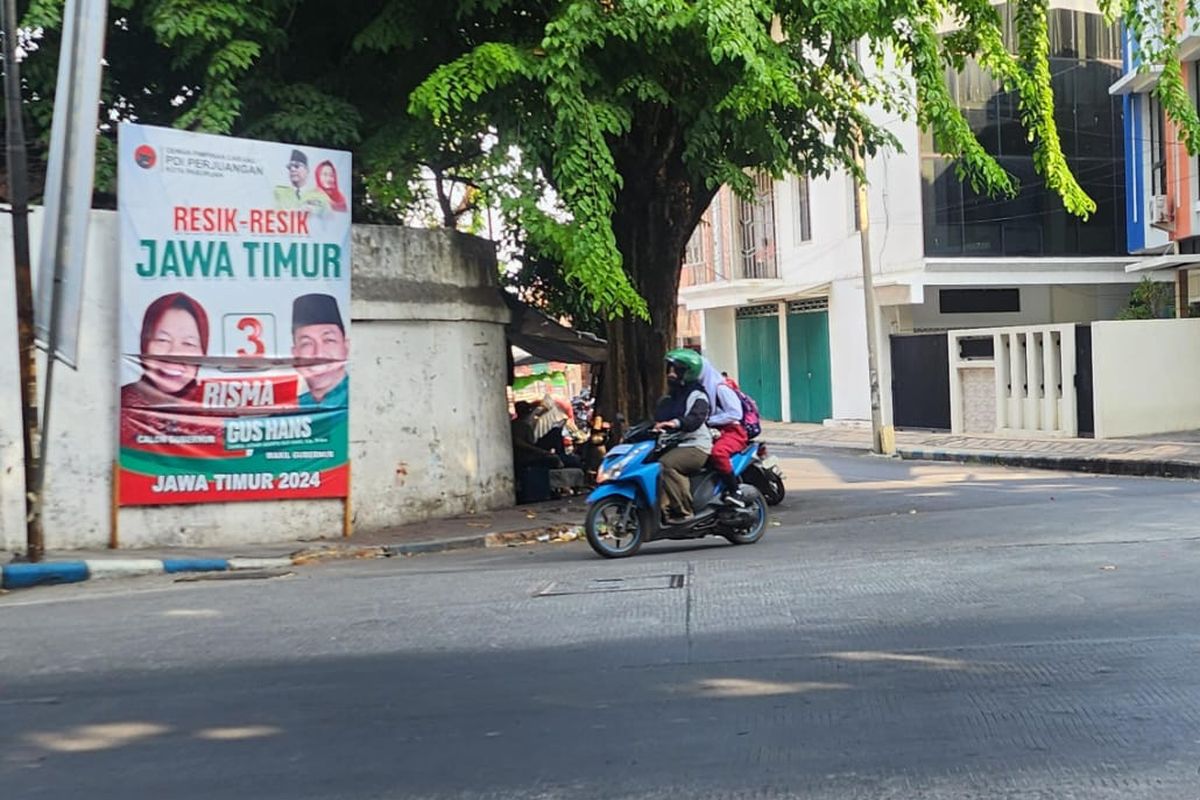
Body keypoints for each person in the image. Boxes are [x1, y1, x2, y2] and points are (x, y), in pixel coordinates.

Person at [653, 348, 712, 524]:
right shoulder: (669, 398)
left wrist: (675, 423)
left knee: (666, 465)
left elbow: (695, 419)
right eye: (669, 369)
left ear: (688, 372)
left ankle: (684, 511)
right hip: (675, 444)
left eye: (676, 370)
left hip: (696, 445)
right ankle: (663, 509)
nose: (670, 374)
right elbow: (658, 419)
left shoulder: (698, 395)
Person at [121, 292, 209, 407]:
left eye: (189, 343)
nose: (174, 354)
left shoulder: (217, 407)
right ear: (144, 345)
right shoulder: (117, 402)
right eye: (162, 340)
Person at [292, 293, 349, 408]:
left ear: (346, 347)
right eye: (306, 343)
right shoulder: (290, 411)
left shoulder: (361, 399)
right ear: (295, 355)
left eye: (328, 340)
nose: (318, 353)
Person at [708, 373, 748, 506]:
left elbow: (735, 414)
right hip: (708, 432)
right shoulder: (691, 391)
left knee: (718, 453)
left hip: (731, 431)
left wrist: (709, 421)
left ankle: (735, 490)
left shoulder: (721, 389)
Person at [273, 149, 331, 213]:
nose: (292, 169)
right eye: (289, 167)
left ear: (307, 170)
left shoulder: (319, 195)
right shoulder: (280, 193)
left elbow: (330, 219)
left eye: (296, 166)